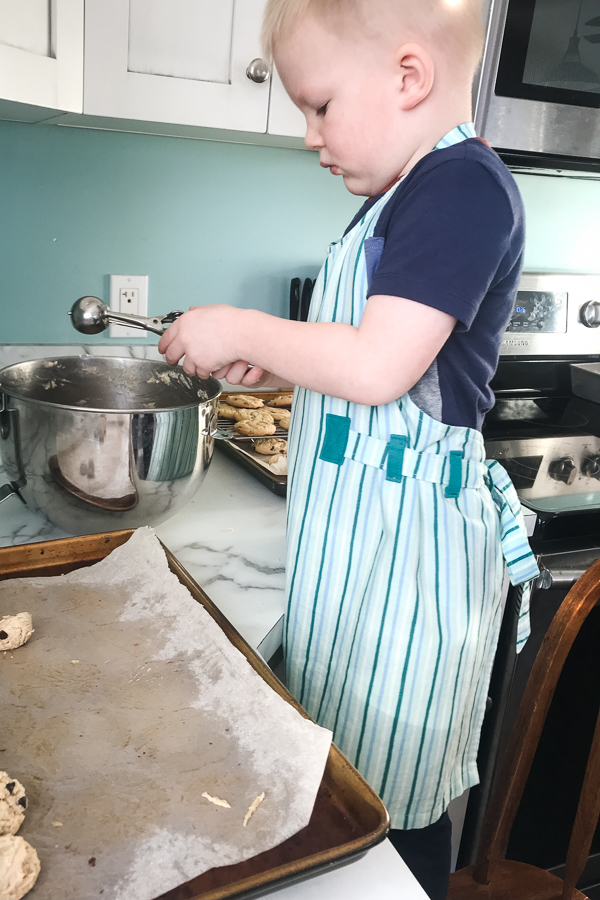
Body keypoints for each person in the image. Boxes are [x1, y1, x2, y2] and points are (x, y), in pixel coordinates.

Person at [158, 1, 539, 896]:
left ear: (408, 77)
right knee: (350, 775)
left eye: (320, 105)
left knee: (393, 805)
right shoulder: (403, 199)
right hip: (359, 553)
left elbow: (377, 365)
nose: (309, 135)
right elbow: (374, 362)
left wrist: (239, 323)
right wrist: (277, 368)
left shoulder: (462, 188)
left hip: (407, 561)